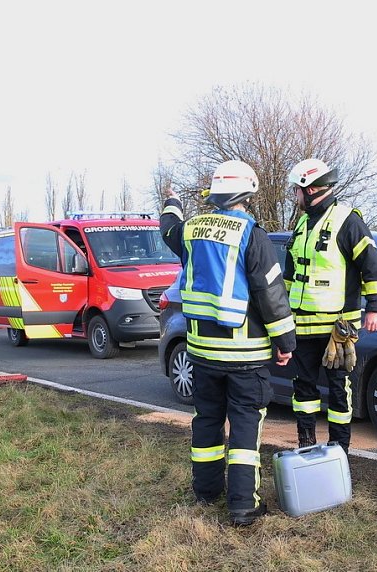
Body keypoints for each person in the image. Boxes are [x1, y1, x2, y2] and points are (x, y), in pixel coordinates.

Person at [160, 160, 296, 526]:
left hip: (201, 352)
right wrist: (286, 341)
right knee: (245, 428)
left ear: (216, 193)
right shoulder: (252, 234)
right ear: (247, 194)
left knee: (206, 421)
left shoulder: (191, 229)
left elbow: (168, 229)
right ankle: (242, 506)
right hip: (246, 355)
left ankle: (206, 492)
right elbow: (271, 294)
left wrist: (171, 202)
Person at [285, 159, 377, 454]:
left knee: (339, 390)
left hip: (337, 328)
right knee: (303, 389)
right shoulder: (302, 223)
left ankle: (339, 450)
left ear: (312, 189)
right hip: (301, 324)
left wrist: (375, 308)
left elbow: (373, 265)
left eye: (297, 190)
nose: (296, 196)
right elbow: (292, 274)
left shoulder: (348, 220)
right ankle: (306, 445)